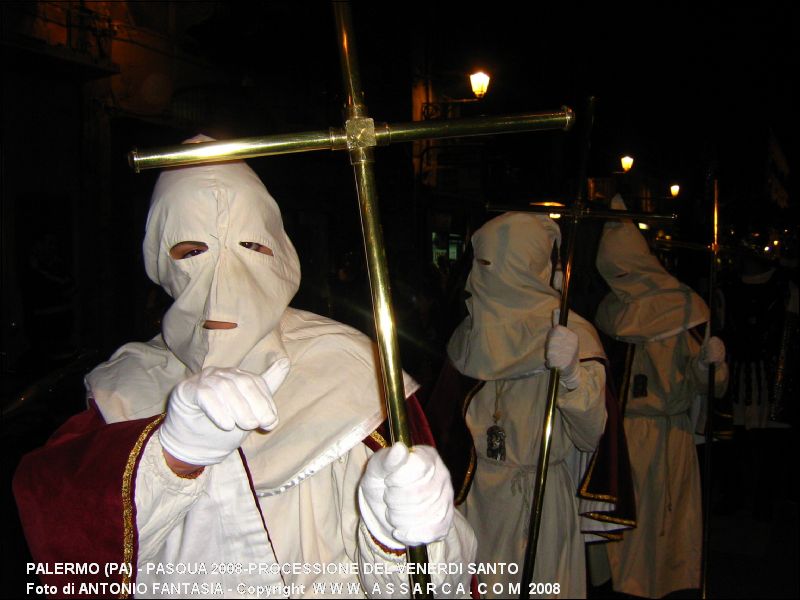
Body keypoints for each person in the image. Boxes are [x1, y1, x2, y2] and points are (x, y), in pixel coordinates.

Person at [14, 136, 477, 599]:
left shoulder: (351, 369)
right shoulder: (127, 386)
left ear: (278, 253)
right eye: (192, 251)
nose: (225, 277)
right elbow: (70, 560)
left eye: (250, 246)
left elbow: (435, 584)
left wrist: (403, 539)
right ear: (160, 259)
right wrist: (170, 455)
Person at [426, 212, 609, 598]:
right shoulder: (469, 334)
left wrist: (573, 376)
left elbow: (591, 436)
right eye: (479, 263)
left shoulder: (568, 332)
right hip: (476, 499)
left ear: (521, 267)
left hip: (538, 496)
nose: (479, 275)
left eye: (491, 264)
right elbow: (441, 425)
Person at [592, 195, 728, 598]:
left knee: (662, 530)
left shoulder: (684, 308)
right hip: (623, 436)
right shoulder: (610, 310)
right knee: (627, 532)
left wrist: (710, 365)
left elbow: (711, 388)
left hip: (667, 436)